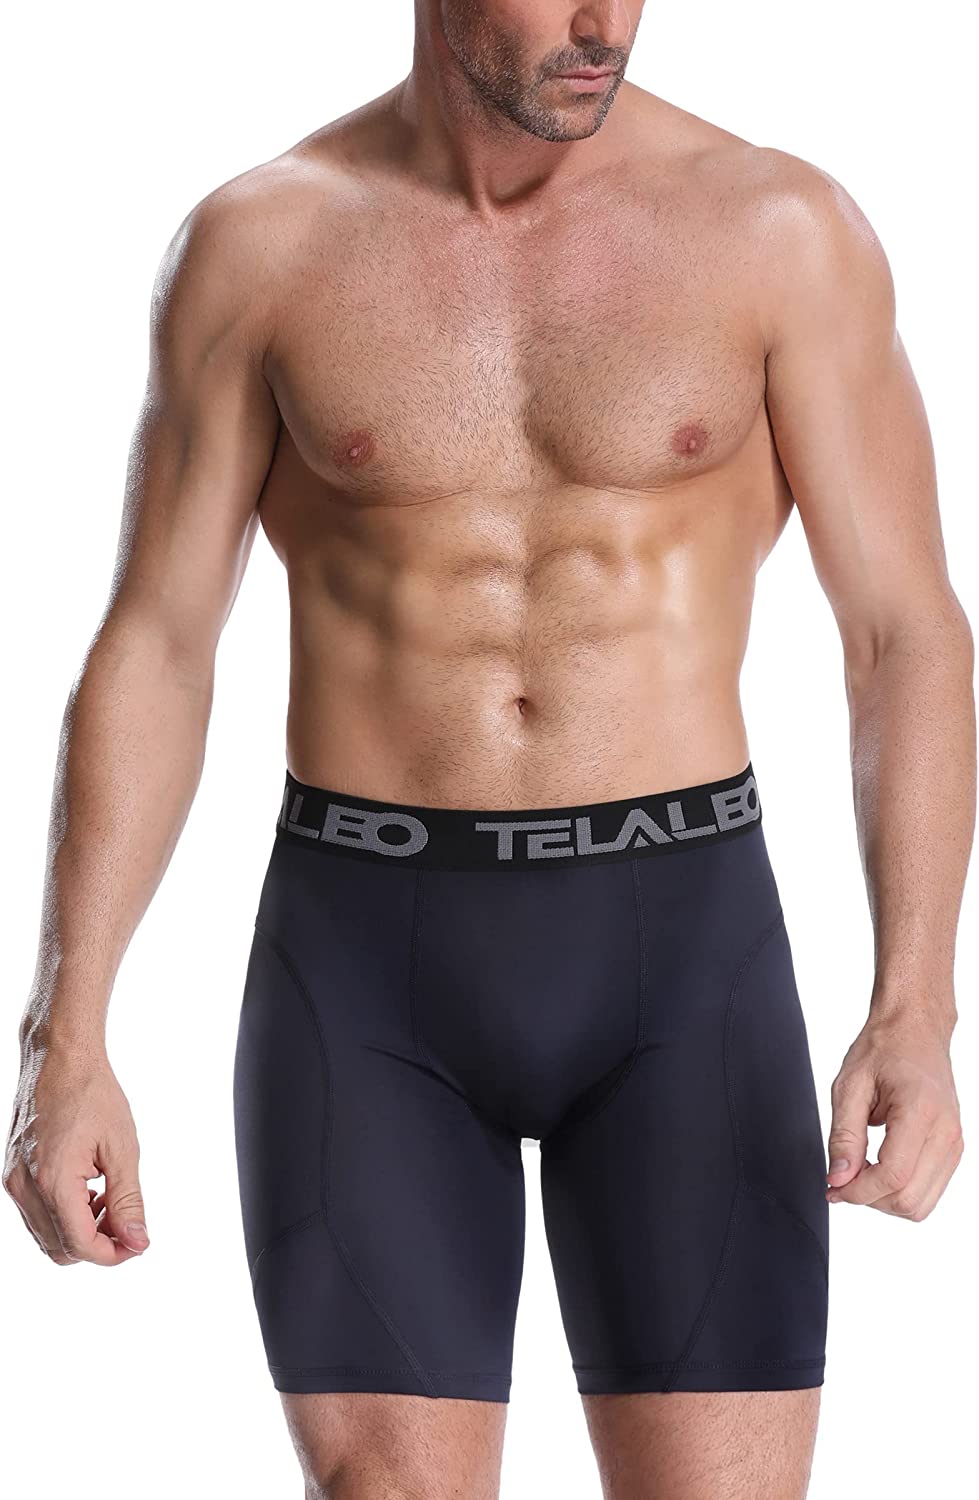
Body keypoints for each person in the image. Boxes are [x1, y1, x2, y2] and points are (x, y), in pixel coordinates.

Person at [4, 2, 973, 1497]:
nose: (603, 24)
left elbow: (904, 632)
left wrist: (918, 1006)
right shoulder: (261, 246)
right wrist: (64, 1035)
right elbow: (158, 642)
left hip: (681, 950)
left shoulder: (780, 232)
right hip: (365, 959)